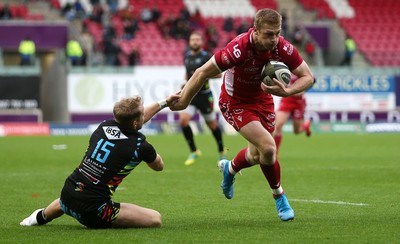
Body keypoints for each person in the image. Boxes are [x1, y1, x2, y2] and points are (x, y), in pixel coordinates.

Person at [169, 8, 314, 221]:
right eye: (268, 34)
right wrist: (183, 102)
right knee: (269, 148)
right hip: (235, 102)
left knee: (256, 156)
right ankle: (279, 196)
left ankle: (230, 169)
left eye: (277, 33)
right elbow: (201, 72)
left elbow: (308, 77)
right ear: (255, 31)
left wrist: (289, 91)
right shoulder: (238, 49)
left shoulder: (281, 47)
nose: (274, 39)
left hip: (263, 101)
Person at [20, 94, 180, 229]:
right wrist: (149, 150)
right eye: (142, 114)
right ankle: (45, 216)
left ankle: (40, 217)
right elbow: (159, 166)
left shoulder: (103, 126)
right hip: (95, 211)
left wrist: (165, 102)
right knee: (155, 219)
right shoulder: (140, 145)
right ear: (135, 123)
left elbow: (135, 122)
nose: (144, 116)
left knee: (78, 192)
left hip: (67, 194)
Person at [180, 31, 225, 166]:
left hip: (205, 95)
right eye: (192, 39)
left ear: (201, 42)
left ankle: (221, 151)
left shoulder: (207, 57)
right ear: (189, 42)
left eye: (197, 40)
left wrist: (202, 75)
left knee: (211, 124)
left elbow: (219, 74)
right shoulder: (187, 57)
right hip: (191, 94)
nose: (195, 42)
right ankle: (194, 151)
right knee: (183, 121)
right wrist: (185, 83)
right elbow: (187, 74)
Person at [273, 75, 313, 156]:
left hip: (298, 102)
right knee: (278, 126)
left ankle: (306, 125)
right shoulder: (285, 68)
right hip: (287, 99)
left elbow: (312, 79)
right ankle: (275, 153)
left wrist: (303, 89)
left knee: (297, 131)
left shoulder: (301, 69)